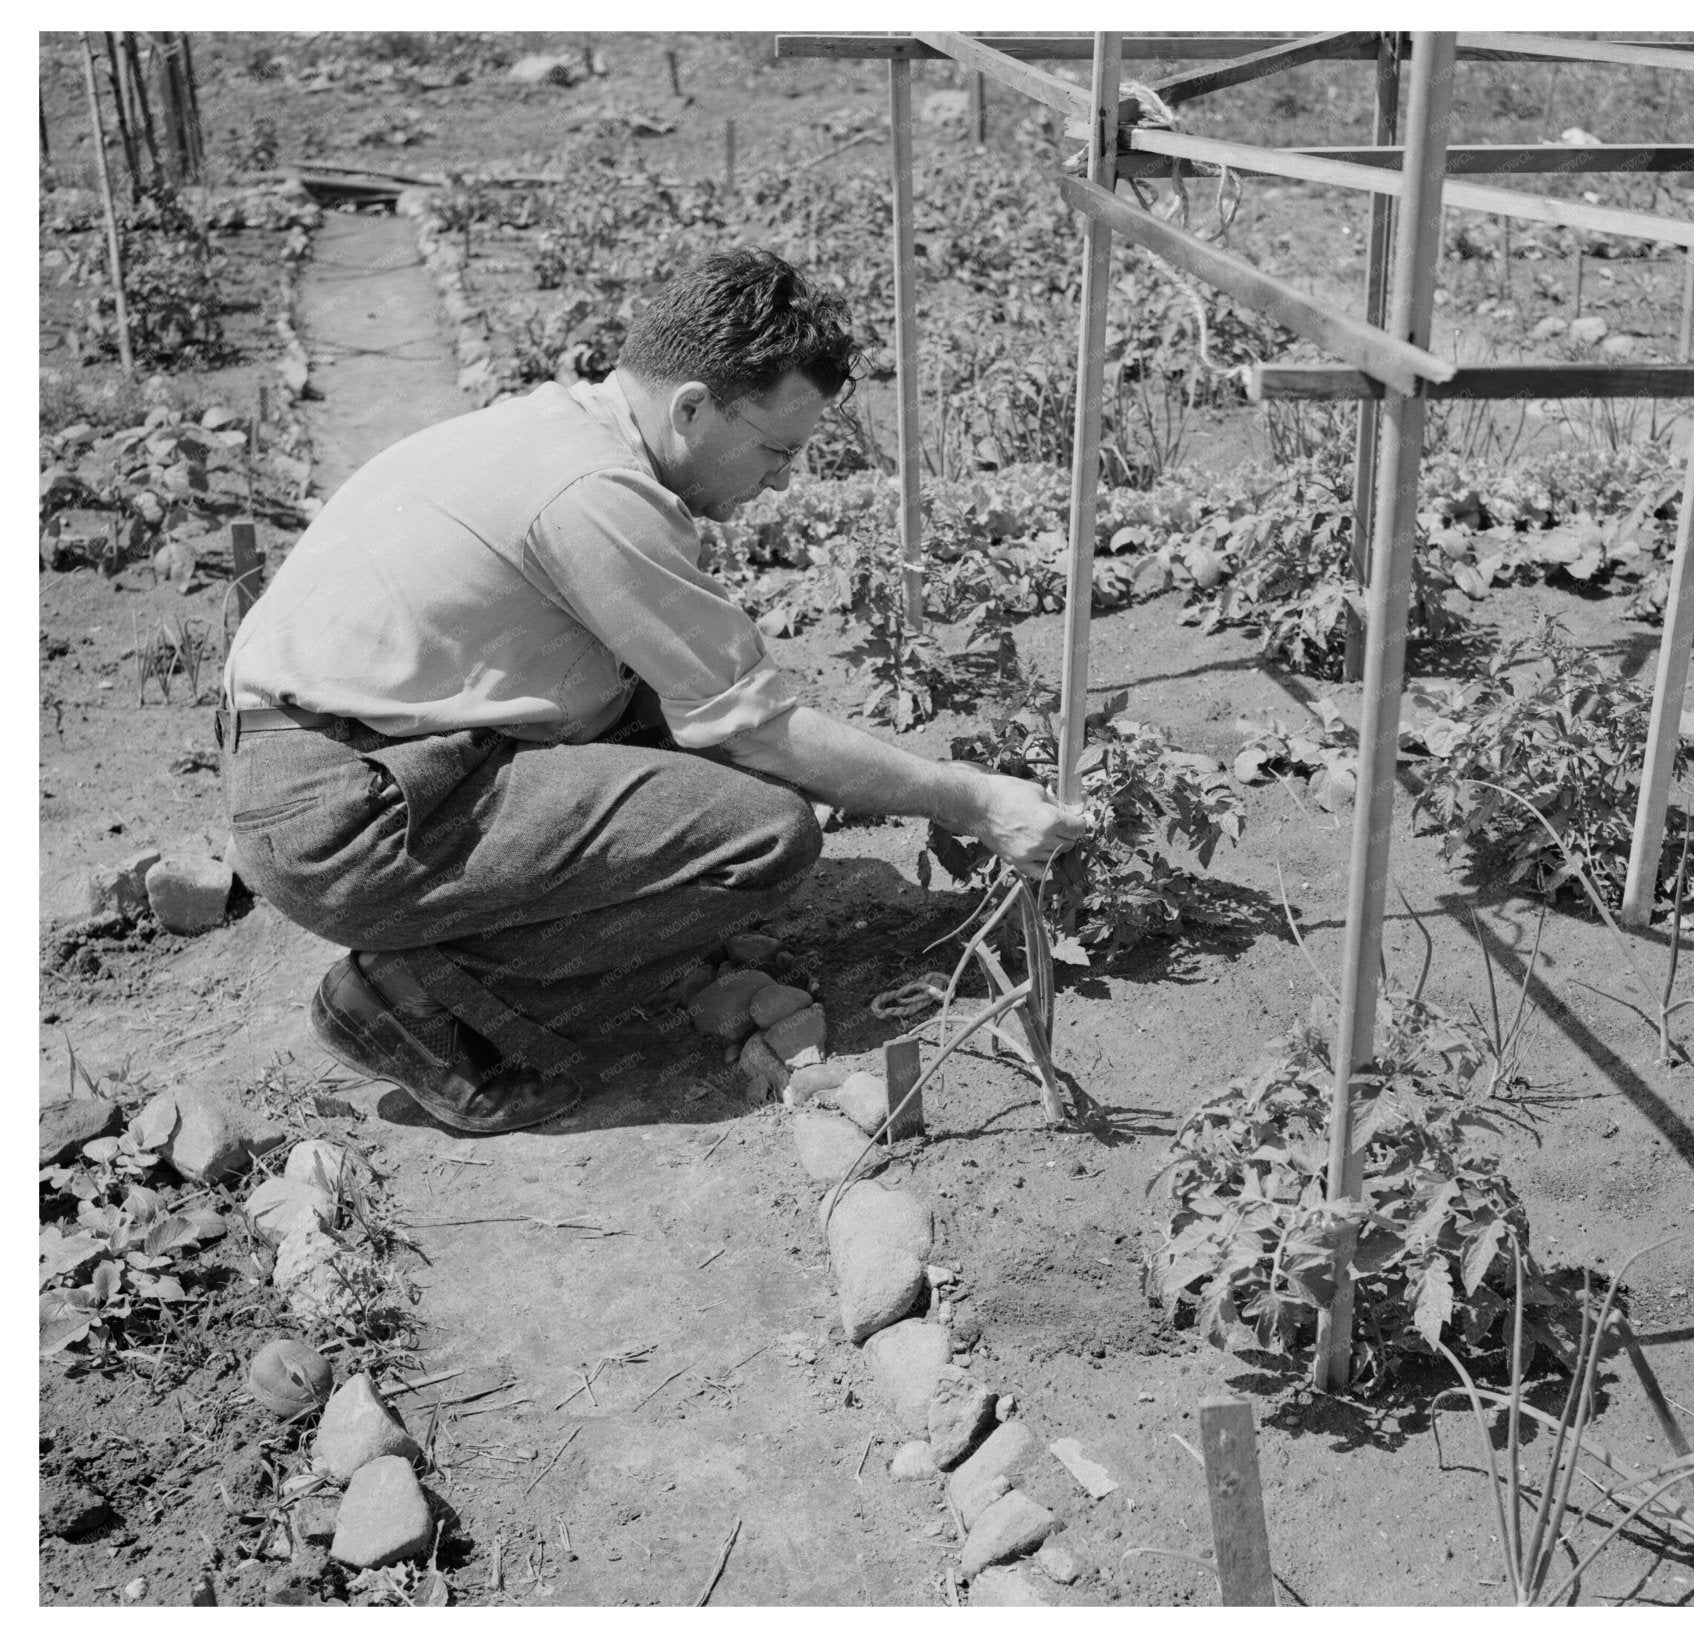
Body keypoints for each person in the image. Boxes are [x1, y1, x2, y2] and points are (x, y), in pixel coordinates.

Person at [220, 247, 1085, 1136]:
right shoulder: (595, 490)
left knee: (692, 756)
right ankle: (414, 1000)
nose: (782, 479)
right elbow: (755, 727)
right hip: (346, 818)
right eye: (773, 450)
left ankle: (473, 957)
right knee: (761, 833)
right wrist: (975, 800)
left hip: (348, 768)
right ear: (692, 407)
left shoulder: (561, 429)